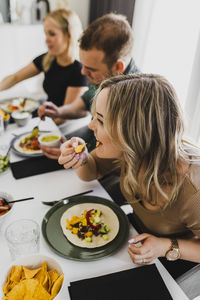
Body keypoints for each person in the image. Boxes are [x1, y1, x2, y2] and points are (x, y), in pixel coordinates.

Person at [58, 73, 200, 265]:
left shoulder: (194, 190)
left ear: (135, 132)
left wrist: (166, 246)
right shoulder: (130, 151)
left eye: (100, 120)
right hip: (133, 237)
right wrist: (81, 159)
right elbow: (89, 173)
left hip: (175, 260)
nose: (91, 126)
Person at [37, 12, 140, 159]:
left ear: (118, 67)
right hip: (89, 144)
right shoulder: (105, 75)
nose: (83, 72)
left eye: (91, 69)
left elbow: (119, 159)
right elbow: (84, 103)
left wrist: (78, 156)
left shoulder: (135, 99)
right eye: (83, 65)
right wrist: (59, 112)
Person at [0, 8, 88, 125]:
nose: (46, 39)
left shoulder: (78, 70)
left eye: (52, 34)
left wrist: (35, 129)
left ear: (69, 35)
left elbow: (64, 117)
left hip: (61, 124)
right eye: (46, 33)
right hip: (46, 115)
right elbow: (15, 78)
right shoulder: (48, 59)